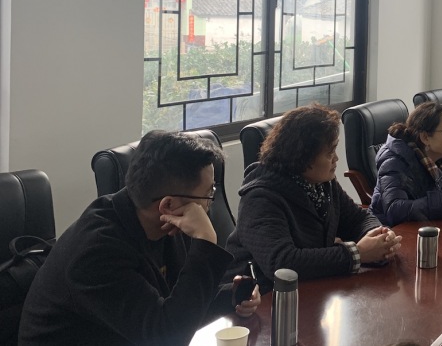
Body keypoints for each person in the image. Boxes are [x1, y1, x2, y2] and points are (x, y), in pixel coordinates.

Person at [19, 131, 260, 346]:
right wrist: (205, 242)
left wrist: (229, 297)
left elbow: (177, 306)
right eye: (209, 194)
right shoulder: (96, 254)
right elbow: (167, 336)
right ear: (168, 205)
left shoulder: (164, 221)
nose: (210, 205)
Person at [223, 104, 401, 293]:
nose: (336, 159)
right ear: (303, 156)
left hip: (310, 290)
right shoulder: (260, 198)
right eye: (330, 153)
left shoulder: (322, 184)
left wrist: (379, 235)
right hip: (257, 297)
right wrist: (357, 254)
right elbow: (281, 263)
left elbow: (357, 219)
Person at [370, 102, 442, 226]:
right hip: (387, 230)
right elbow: (394, 209)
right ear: (425, 138)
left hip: (423, 225)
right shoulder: (394, 161)